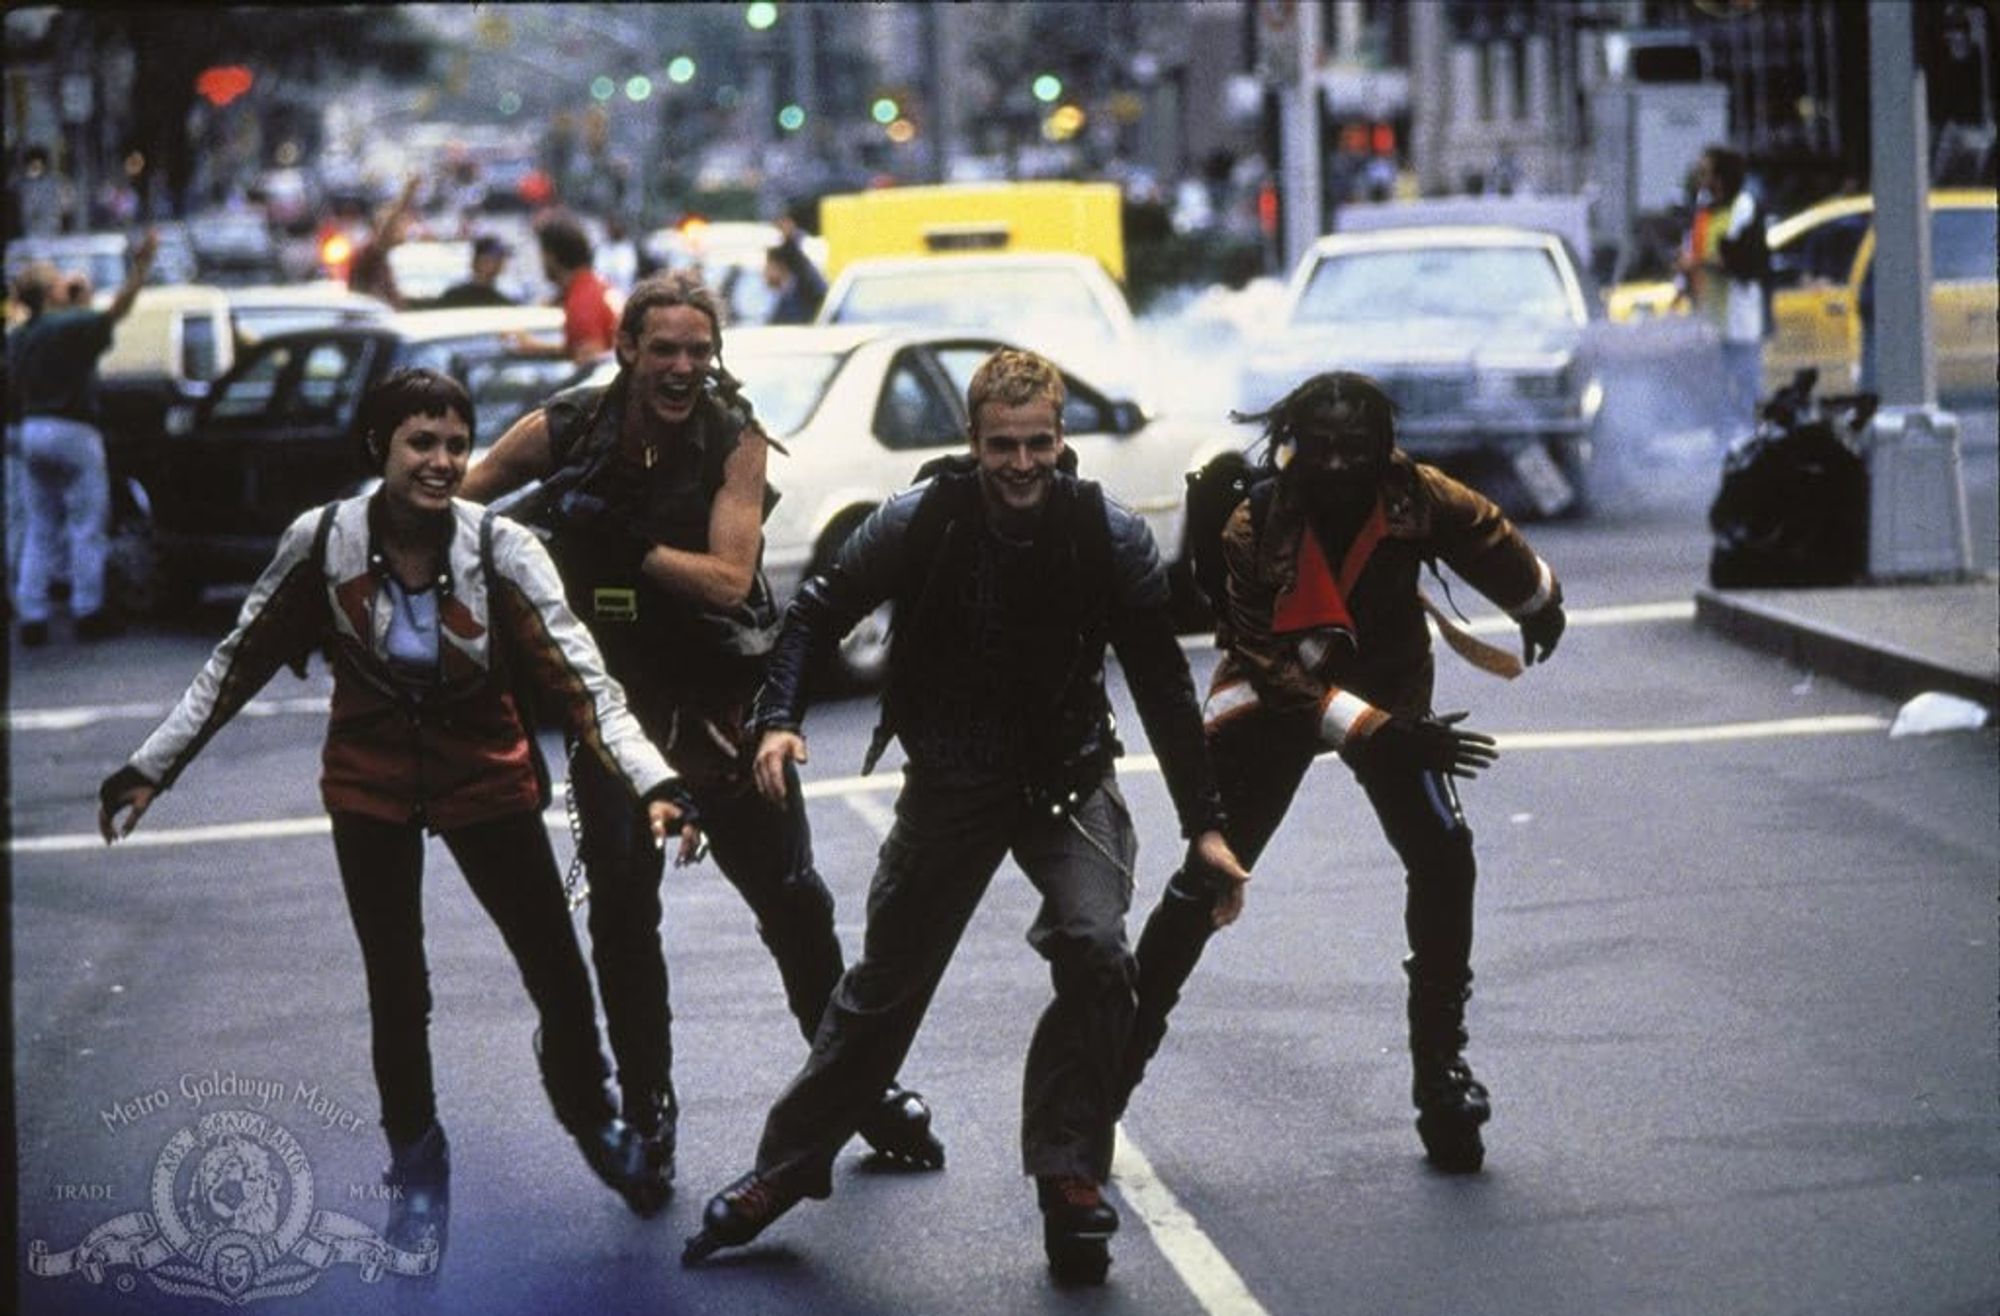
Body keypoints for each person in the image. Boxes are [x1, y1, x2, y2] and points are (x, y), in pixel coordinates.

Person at [96, 368, 702, 1261]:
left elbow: (589, 689)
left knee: (559, 975)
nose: (443, 462)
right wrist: (152, 767)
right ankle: (418, 1179)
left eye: (457, 444)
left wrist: (657, 782)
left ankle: (595, 1121)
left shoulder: (503, 549)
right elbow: (238, 661)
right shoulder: (323, 541)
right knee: (397, 989)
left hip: (486, 776)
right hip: (370, 783)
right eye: (422, 442)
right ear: (378, 447)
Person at [682, 347, 1251, 1283]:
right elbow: (814, 613)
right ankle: (783, 1170)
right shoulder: (922, 519)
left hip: (1068, 778)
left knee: (1098, 949)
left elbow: (1160, 681)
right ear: (974, 443)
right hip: (952, 778)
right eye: (1002, 447)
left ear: (1061, 442)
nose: (1021, 465)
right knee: (883, 988)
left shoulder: (1106, 532)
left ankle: (1070, 1172)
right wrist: (778, 722)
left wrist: (1208, 827)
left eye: (1038, 446)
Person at [462, 271, 946, 1204]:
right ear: (627, 351)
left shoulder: (736, 438)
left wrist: (625, 548)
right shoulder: (565, 429)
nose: (681, 368)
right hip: (615, 713)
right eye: (664, 349)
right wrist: (508, 545)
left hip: (722, 709)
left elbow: (730, 580)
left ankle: (858, 1094)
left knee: (794, 906)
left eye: (697, 350)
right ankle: (649, 1110)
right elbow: (461, 502)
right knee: (621, 915)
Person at [1119, 371, 1566, 1175]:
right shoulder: (1255, 524)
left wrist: (1539, 601)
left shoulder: (1414, 493)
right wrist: (1382, 733)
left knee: (1443, 855)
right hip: (1273, 702)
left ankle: (1441, 1074)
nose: (1334, 465)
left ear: (1382, 447)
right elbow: (1267, 661)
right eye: (1318, 448)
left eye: (1353, 448)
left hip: (1391, 689)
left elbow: (1485, 533)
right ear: (1292, 445)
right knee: (1206, 875)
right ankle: (1109, 1077)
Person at [9, 229, 157, 645]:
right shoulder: (69, 325)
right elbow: (117, 312)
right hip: (74, 429)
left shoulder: (21, 335)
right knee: (86, 524)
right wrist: (141, 267)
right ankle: (88, 609)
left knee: (40, 525)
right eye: (57, 279)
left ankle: (32, 613)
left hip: (32, 430)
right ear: (49, 293)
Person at [1676, 145, 1769, 439]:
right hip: (1710, 317)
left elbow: (1746, 258)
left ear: (1720, 176)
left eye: (1705, 171)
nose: (1700, 177)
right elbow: (1694, 250)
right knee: (1716, 388)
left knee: (1746, 385)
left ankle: (1753, 438)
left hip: (1738, 317)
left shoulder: (1743, 207)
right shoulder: (1703, 212)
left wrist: (1700, 263)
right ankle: (1725, 444)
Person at [510, 211, 617, 365]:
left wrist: (533, 346)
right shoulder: (595, 288)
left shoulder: (582, 302)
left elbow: (591, 363)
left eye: (542, 254)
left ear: (551, 257)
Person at [347, 174, 421, 309]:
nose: (399, 230)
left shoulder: (390, 259)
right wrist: (406, 196)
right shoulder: (368, 253)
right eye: (393, 226)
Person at [761, 221, 825, 325]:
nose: (764, 273)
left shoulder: (801, 298)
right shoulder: (783, 296)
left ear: (779, 267)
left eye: (767, 267)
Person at [435, 234, 517, 309]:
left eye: (501, 260)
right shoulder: (454, 297)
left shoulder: (503, 303)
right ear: (477, 262)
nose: (502, 264)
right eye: (495, 259)